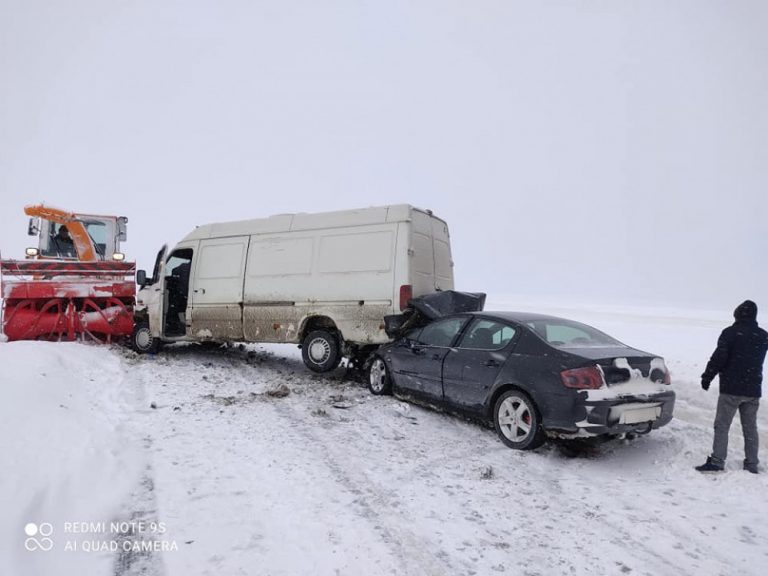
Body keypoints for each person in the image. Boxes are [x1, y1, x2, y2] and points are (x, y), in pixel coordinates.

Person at [696, 300, 768, 474]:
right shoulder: (763, 335)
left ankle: (717, 461)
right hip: (752, 390)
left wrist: (707, 376)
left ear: (737, 314)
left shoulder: (730, 333)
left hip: (731, 389)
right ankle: (751, 464)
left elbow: (719, 357)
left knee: (722, 425)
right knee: (750, 428)